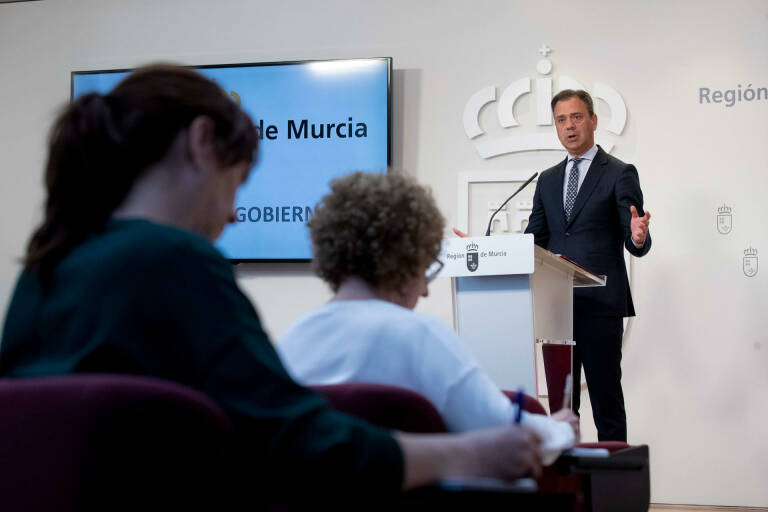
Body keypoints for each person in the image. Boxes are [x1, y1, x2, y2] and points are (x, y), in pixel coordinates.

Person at [0, 64, 545, 504]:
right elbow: (304, 446)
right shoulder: (176, 261)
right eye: (236, 183)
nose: (234, 215)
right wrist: (469, 454)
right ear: (202, 140)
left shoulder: (43, 271)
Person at [278, 171, 579, 463]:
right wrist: (561, 428)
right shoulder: (420, 336)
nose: (424, 291)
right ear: (406, 258)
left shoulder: (289, 344)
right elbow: (506, 431)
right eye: (425, 268)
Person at [523, 89, 652, 442]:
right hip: (556, 308)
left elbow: (633, 235)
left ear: (593, 121)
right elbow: (533, 239)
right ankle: (569, 489)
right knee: (562, 409)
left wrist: (638, 237)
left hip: (599, 307)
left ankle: (615, 492)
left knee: (606, 402)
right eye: (561, 120)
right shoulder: (547, 179)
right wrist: (493, 248)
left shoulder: (619, 173)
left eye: (576, 117)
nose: (569, 126)